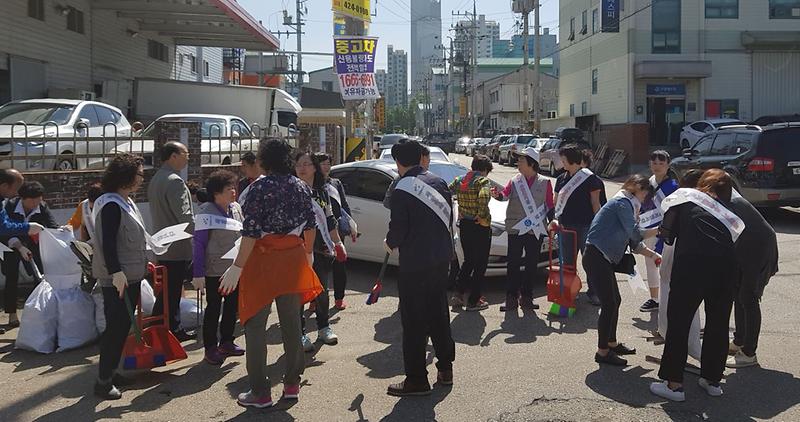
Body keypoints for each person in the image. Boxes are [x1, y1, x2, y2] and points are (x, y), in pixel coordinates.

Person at [217, 139, 322, 408]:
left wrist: (237, 267)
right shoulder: (301, 186)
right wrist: (308, 254)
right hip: (293, 261)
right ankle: (291, 385)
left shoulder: (258, 188)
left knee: (254, 325)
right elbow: (310, 224)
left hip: (262, 263)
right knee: (292, 325)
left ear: (264, 160)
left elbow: (250, 233)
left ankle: (260, 392)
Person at [651, 169, 743, 402]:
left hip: (693, 266)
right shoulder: (726, 210)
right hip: (726, 268)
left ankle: (673, 385)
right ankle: (712, 380)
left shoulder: (684, 199)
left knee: (679, 323)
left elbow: (667, 235)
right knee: (719, 324)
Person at [384, 140, 455, 396]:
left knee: (414, 320)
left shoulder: (402, 187)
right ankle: (445, 369)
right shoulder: (439, 182)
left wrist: (389, 243)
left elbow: (398, 229)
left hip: (415, 263)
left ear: (398, 162)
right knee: (438, 313)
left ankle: (416, 379)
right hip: (441, 259)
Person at [583, 175, 660, 366]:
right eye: (645, 195)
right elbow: (634, 233)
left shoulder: (628, 205)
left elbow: (634, 243)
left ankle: (611, 342)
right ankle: (602, 352)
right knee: (609, 304)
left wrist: (653, 255)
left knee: (615, 300)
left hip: (602, 258)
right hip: (596, 256)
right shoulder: (623, 203)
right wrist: (660, 230)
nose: (645, 199)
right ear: (637, 188)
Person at [91, 154, 148, 400]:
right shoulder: (112, 204)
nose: (141, 179)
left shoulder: (126, 201)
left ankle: (112, 372)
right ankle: (103, 381)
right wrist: (115, 271)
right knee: (115, 329)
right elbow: (108, 243)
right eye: (139, 174)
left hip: (131, 274)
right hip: (119, 278)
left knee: (121, 326)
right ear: (126, 176)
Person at [191, 170, 245, 365]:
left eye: (234, 187)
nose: (233, 192)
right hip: (214, 269)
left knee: (232, 307)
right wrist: (198, 273)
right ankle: (210, 347)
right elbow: (199, 244)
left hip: (234, 267)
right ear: (216, 193)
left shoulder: (236, 208)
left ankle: (227, 341)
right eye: (228, 189)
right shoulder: (206, 213)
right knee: (214, 308)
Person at [491, 148, 554, 312]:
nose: (517, 162)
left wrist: (553, 221)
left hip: (536, 229)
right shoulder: (514, 181)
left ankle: (527, 297)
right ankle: (511, 298)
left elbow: (549, 206)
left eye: (521, 160)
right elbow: (504, 195)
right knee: (513, 263)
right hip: (515, 229)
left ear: (531, 163)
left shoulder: (545, 182)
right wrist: (496, 195)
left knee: (532, 264)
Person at [295, 152, 346, 351]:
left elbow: (330, 219)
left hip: (321, 248)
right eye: (299, 164)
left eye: (307, 163)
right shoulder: (292, 190)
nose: (302, 167)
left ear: (315, 167)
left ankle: (324, 327)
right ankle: (299, 333)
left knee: (321, 290)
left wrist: (338, 242)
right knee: (298, 293)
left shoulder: (323, 190)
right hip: (298, 249)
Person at [727, 183, 778, 368]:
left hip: (758, 250)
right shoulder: (725, 198)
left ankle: (749, 353)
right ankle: (739, 341)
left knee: (748, 298)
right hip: (744, 249)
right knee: (738, 293)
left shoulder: (729, 202)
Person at [147, 141, 194, 340]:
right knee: (172, 293)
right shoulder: (175, 181)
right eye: (185, 153)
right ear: (173, 155)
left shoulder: (157, 178)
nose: (188, 157)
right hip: (177, 245)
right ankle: (169, 330)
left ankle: (161, 328)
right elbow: (185, 217)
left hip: (163, 244)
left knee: (167, 292)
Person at [657, 170, 704, 361]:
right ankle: (683, 351)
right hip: (683, 262)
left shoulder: (678, 202)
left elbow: (665, 233)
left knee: (675, 309)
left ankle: (678, 349)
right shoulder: (689, 203)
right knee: (683, 312)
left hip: (677, 261)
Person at [1, 181, 60, 329]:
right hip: (11, 244)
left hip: (34, 247)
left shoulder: (42, 207)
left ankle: (38, 313)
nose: (35, 204)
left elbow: (52, 226)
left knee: (39, 277)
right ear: (22, 198)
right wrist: (19, 246)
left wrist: (62, 231)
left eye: (38, 200)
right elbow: (4, 230)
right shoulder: (9, 206)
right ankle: (12, 315)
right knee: (11, 276)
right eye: (32, 200)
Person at [551, 145, 604, 305]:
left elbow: (596, 203)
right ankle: (569, 289)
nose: (562, 162)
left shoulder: (590, 178)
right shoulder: (561, 179)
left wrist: (598, 224)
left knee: (589, 260)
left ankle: (594, 292)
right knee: (567, 260)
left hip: (587, 225)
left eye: (564, 159)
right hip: (566, 225)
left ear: (571, 159)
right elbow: (556, 202)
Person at [449, 154, 494, 312]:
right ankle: (474, 300)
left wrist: (459, 208)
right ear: (484, 170)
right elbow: (484, 196)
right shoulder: (482, 181)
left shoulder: (460, 180)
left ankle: (458, 294)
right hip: (480, 226)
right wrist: (481, 216)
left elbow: (447, 191)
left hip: (465, 225)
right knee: (480, 264)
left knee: (468, 261)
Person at [638, 151, 680, 312]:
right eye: (654, 163)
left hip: (665, 230)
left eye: (661, 163)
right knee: (650, 264)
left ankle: (669, 297)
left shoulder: (674, 186)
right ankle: (654, 299)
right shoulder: (648, 182)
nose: (657, 166)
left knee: (666, 265)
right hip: (648, 228)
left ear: (668, 165)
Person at [317, 152, 358, 310]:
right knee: (319, 267)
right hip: (319, 230)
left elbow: (344, 205)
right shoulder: (312, 184)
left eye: (328, 163)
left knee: (339, 265)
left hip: (337, 230)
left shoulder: (336, 183)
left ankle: (339, 298)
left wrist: (350, 223)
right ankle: (316, 299)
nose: (326, 167)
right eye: (323, 163)